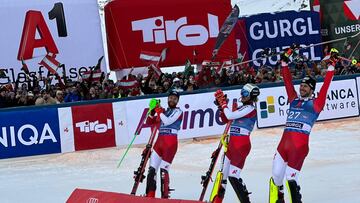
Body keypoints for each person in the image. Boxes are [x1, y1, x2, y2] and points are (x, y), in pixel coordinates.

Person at [269, 48, 337, 203]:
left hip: (299, 148)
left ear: (312, 89)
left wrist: (331, 67)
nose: (302, 87)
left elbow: (326, 87)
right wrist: (284, 63)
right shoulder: (293, 99)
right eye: (301, 85)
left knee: (291, 181)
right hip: (282, 146)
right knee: (276, 177)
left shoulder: (316, 104)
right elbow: (287, 82)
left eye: (305, 86)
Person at [212, 84, 260, 203]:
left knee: (233, 176)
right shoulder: (241, 108)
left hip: (241, 145)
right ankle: (218, 200)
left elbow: (230, 115)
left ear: (251, 97)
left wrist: (224, 104)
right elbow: (225, 119)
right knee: (222, 175)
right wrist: (221, 108)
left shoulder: (250, 109)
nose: (242, 96)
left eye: (245, 94)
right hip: (232, 145)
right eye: (242, 92)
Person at [145, 91, 183, 199]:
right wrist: (152, 111)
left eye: (175, 99)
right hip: (159, 143)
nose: (172, 100)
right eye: (170, 98)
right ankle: (150, 196)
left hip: (170, 143)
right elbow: (148, 122)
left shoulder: (178, 111)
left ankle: (164, 198)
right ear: (167, 99)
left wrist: (158, 110)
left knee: (163, 171)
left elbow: (167, 121)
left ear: (177, 101)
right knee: (152, 171)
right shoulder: (164, 112)